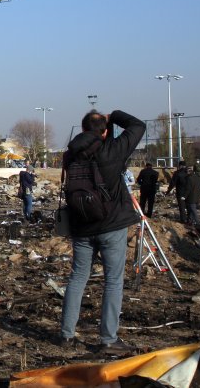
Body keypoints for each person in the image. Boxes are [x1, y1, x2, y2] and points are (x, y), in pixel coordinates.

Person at [59, 109, 145, 355]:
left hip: (81, 225)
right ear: (105, 131)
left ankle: (66, 335)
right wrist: (115, 114)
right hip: (112, 225)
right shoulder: (113, 150)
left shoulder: (69, 156)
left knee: (77, 278)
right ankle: (108, 339)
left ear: (82, 129)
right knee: (113, 281)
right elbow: (137, 125)